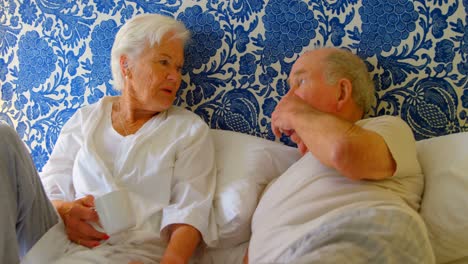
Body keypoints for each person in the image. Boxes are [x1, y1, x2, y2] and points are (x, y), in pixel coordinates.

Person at [2, 13, 217, 264]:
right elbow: (50, 186)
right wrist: (66, 211)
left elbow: (190, 211)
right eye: (164, 62)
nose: (175, 76)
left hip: (128, 254)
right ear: (126, 65)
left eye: (178, 67)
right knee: (3, 137)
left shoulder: (188, 130)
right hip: (61, 238)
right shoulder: (86, 118)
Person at [245, 48, 435, 263]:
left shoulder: (385, 128)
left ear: (342, 92)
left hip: (356, 234)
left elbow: (344, 151)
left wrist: (294, 113)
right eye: (289, 90)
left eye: (301, 83)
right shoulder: (280, 180)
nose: (287, 99)